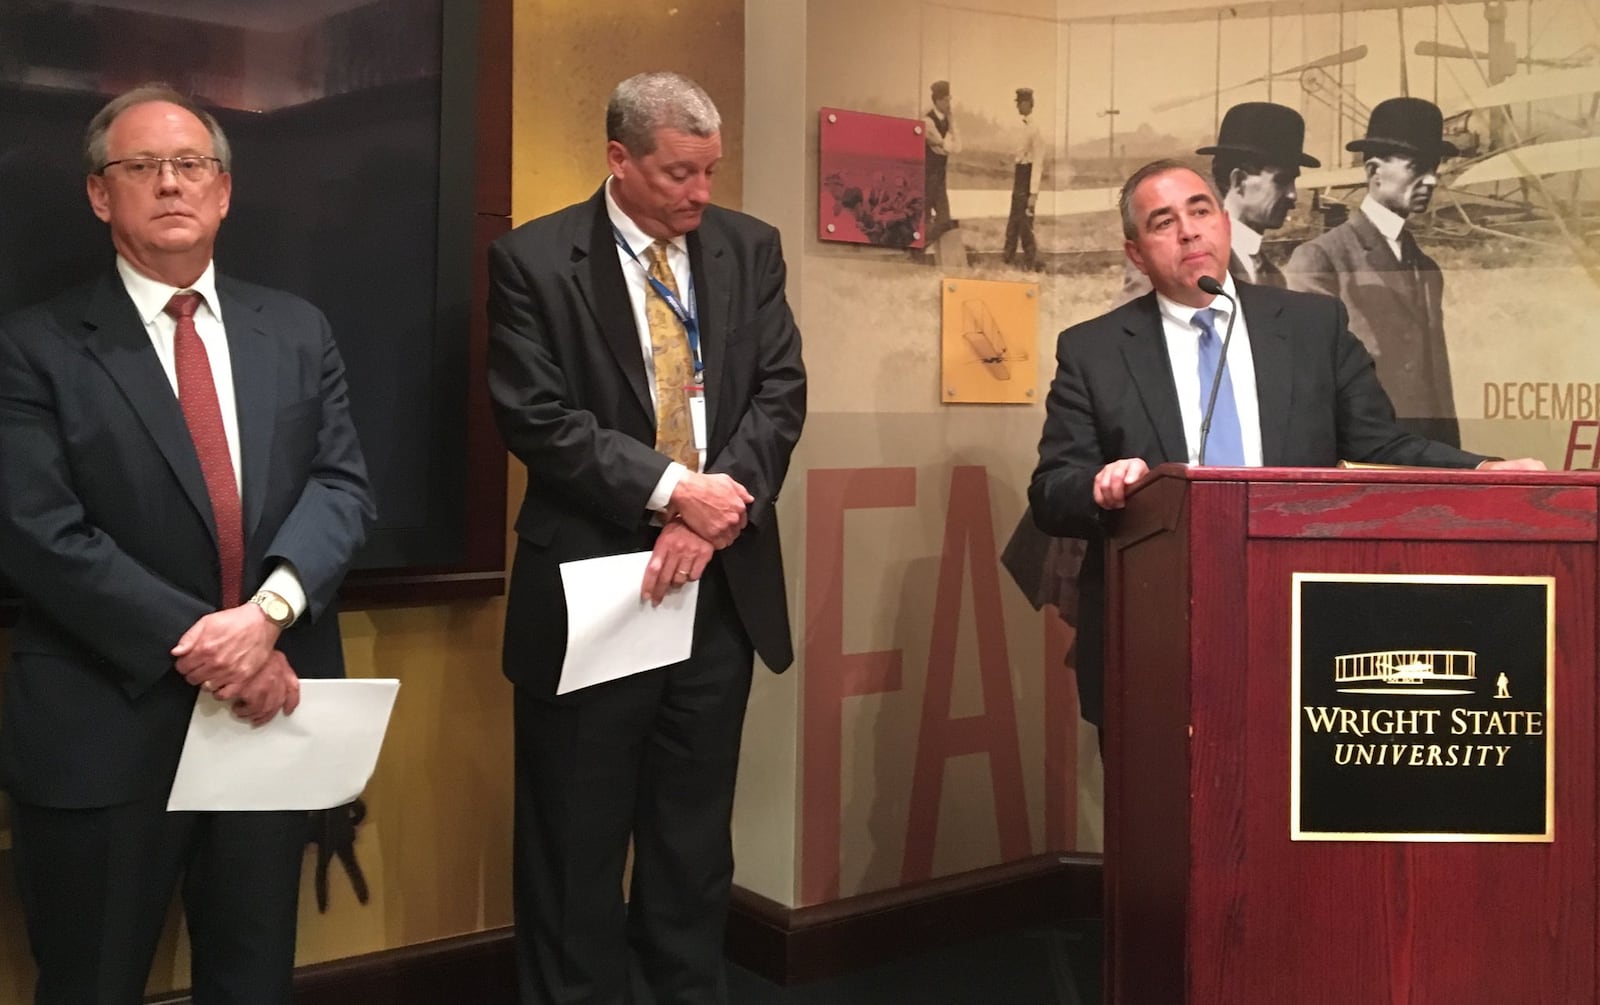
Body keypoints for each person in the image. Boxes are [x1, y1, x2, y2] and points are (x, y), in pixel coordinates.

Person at [0, 84, 374, 1003]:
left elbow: (341, 486)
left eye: (192, 164)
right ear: (99, 194)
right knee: (90, 980)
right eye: (142, 167)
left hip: (265, 721)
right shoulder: (32, 347)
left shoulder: (296, 329)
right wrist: (221, 648)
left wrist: (268, 617)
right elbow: (41, 535)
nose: (171, 184)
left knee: (252, 977)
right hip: (103, 722)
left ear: (224, 190)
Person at [486, 71, 805, 1004]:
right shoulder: (534, 261)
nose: (701, 193)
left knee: (692, 837)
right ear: (619, 159)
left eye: (710, 170)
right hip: (597, 590)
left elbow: (780, 390)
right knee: (575, 845)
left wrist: (717, 512)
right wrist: (673, 493)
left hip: (719, 589)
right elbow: (536, 418)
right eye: (678, 173)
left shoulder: (749, 249)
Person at [1028, 160, 1541, 736]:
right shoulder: (1093, 350)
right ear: (1136, 253)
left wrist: (1484, 468)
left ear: (1223, 222)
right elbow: (1051, 491)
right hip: (1154, 634)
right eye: (1163, 222)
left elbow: (1381, 443)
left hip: (1303, 626)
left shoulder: (1311, 327)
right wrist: (1103, 487)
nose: (1189, 231)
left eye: (1200, 211)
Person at [1287, 96, 1460, 446]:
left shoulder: (1426, 267)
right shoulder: (1319, 260)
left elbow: (1437, 383)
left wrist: (1450, 460)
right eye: (1416, 167)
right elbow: (1312, 388)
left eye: (1435, 168)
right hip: (1357, 459)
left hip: (1427, 461)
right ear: (1373, 172)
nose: (1431, 180)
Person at [1119, 101, 1318, 302]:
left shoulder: (1272, 278)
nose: (1293, 195)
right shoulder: (1173, 255)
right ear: (1239, 181)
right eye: (1282, 180)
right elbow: (1129, 326)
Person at [1004, 86, 1042, 268]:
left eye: (1020, 103)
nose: (1018, 106)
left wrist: (1033, 193)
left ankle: (1031, 261)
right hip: (1020, 175)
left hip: (1027, 177)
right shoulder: (1022, 127)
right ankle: (1007, 258)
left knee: (1025, 223)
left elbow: (1038, 164)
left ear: (1028, 103)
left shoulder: (1036, 129)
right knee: (1014, 220)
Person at [924, 80, 958, 241]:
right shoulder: (928, 121)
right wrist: (948, 140)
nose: (948, 104)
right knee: (924, 219)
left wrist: (951, 123)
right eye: (945, 100)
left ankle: (920, 249)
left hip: (940, 178)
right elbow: (946, 147)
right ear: (937, 101)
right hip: (927, 176)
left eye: (949, 100)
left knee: (944, 220)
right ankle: (917, 253)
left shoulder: (948, 120)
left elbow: (958, 147)